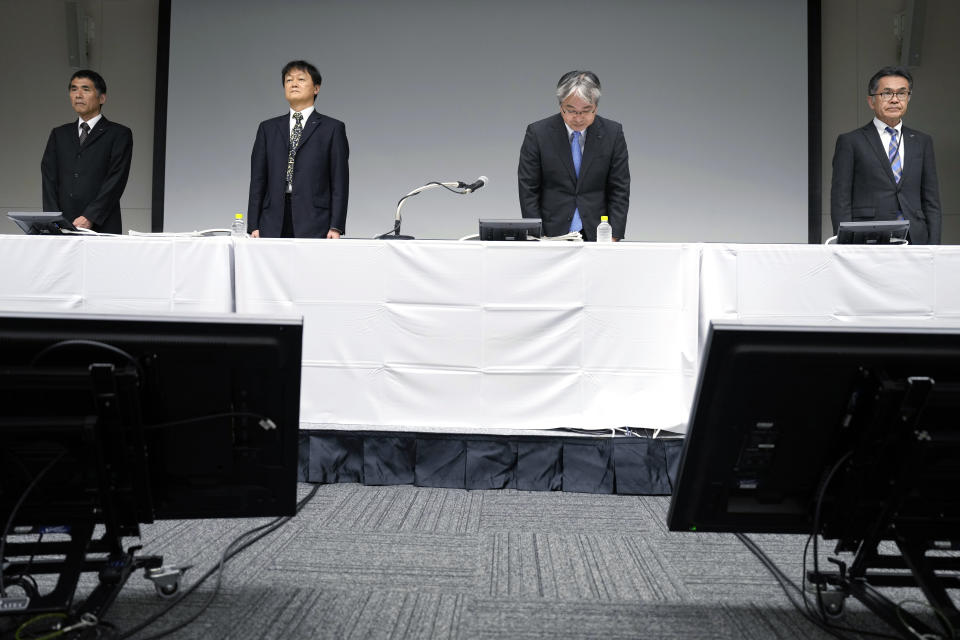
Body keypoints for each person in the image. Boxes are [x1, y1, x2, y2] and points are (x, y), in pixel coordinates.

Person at [830, 66, 941, 244]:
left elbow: (931, 201)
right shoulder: (851, 141)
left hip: (916, 237)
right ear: (871, 101)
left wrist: (935, 247)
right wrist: (845, 244)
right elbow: (840, 200)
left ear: (908, 98)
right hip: (867, 237)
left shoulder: (922, 141)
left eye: (902, 93)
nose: (895, 100)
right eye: (887, 93)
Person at [518, 70, 630, 241]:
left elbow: (619, 188)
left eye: (586, 111)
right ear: (561, 106)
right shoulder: (538, 133)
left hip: (598, 232)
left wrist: (614, 234)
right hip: (551, 232)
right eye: (571, 111)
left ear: (596, 107)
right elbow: (528, 189)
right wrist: (537, 234)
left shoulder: (612, 133)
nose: (578, 118)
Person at [247, 60, 349, 238]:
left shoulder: (332, 128)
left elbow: (340, 181)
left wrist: (336, 226)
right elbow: (257, 180)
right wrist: (253, 224)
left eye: (301, 79)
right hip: (272, 219)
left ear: (316, 88)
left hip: (316, 219)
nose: (293, 84)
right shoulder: (267, 129)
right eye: (288, 80)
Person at [41, 70, 133, 234]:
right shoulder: (59, 134)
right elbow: (49, 178)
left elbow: (116, 180)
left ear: (102, 98)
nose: (78, 95)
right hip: (61, 226)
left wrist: (90, 216)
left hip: (102, 224)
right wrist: (53, 220)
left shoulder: (119, 134)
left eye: (85, 89)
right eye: (74, 89)